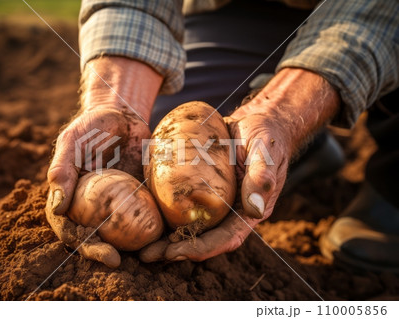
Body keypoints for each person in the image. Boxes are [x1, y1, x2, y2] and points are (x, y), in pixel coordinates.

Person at [45, 0, 399, 271]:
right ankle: (303, 147)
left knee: (261, 133)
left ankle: (390, 183)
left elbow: (377, 18)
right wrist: (114, 101)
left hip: (375, 17)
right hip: (241, 10)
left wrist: (280, 114)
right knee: (145, 132)